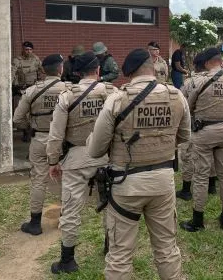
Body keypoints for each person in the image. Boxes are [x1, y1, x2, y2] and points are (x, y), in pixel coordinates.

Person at [88, 48, 190, 280]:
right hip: (163, 181)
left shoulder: (117, 99)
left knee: (120, 254)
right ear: (152, 66)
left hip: (126, 184)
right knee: (167, 248)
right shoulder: (176, 96)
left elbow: (96, 150)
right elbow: (184, 136)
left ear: (129, 73)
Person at [47, 51, 114, 273]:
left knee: (71, 209)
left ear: (77, 72)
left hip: (76, 158)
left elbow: (56, 134)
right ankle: (110, 249)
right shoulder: (112, 93)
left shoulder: (67, 96)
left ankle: (67, 260)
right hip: (107, 157)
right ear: (97, 70)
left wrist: (53, 160)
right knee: (111, 207)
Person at [180, 48, 223, 232]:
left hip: (204, 131)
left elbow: (188, 107)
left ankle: (198, 219)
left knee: (200, 176)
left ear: (207, 63)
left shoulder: (201, 81)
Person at [13, 54, 70, 236]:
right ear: (61, 69)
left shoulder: (31, 91)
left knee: (38, 180)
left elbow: (17, 119)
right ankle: (66, 219)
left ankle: (35, 222)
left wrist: (30, 126)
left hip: (39, 139)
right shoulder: (69, 90)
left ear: (43, 70)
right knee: (65, 180)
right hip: (62, 141)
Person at [176, 52, 208, 201]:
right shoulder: (220, 80)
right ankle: (212, 185)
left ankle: (186, 189)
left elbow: (180, 103)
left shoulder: (190, 82)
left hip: (192, 123)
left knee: (188, 155)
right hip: (212, 125)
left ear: (195, 66)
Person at [12, 41, 45, 140]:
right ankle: (25, 131)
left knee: (34, 109)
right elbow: (12, 71)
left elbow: (43, 70)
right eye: (26, 49)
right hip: (21, 89)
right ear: (23, 49)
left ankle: (32, 129)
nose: (28, 51)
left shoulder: (35, 59)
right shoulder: (17, 60)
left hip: (33, 88)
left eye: (30, 49)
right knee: (22, 110)